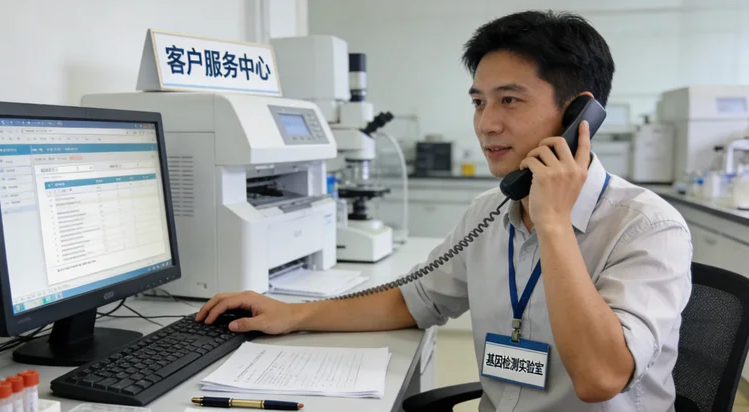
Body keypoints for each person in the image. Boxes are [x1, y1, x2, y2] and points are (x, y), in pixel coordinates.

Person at [196, 10, 692, 411]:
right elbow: (411, 301)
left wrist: (555, 224)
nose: (486, 124)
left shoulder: (646, 227)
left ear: (577, 116)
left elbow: (601, 377)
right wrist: (292, 314)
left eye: (510, 100)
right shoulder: (489, 212)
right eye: (479, 102)